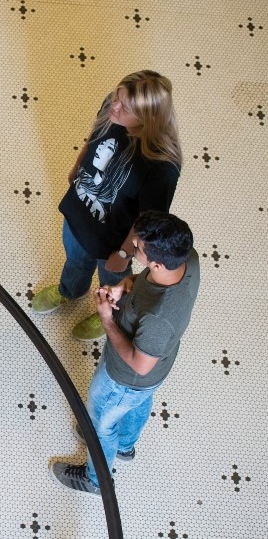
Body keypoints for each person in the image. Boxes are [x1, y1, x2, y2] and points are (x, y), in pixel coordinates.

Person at [51, 211, 200, 496]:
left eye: (138, 249)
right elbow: (143, 279)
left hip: (125, 378)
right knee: (140, 402)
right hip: (153, 375)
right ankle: (126, 445)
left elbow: (139, 364)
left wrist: (107, 319)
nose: (132, 248)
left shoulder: (160, 318)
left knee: (101, 423)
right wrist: (124, 286)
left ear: (156, 263)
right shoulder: (184, 258)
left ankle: (95, 480)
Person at [31, 70, 182, 341]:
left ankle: (109, 313)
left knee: (113, 282)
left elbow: (149, 221)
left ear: (147, 118)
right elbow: (95, 137)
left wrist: (124, 253)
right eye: (116, 96)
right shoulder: (111, 109)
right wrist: (77, 165)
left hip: (115, 241)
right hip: (79, 213)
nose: (113, 106)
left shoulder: (161, 166)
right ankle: (71, 291)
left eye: (124, 107)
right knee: (75, 260)